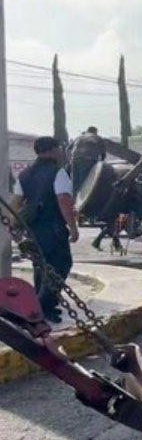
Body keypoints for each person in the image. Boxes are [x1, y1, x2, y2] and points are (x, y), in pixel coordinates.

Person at [11, 137, 79, 323]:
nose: (62, 151)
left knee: (40, 266)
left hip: (32, 229)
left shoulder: (25, 174)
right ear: (53, 149)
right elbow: (64, 202)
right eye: (60, 147)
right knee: (60, 265)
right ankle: (43, 307)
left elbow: (16, 202)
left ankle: (43, 306)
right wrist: (73, 228)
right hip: (53, 227)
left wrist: (14, 226)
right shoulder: (58, 173)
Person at [69, 126, 106, 195]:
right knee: (85, 182)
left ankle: (75, 200)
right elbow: (103, 154)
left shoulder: (79, 137)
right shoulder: (97, 138)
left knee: (75, 182)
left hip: (75, 159)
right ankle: (84, 202)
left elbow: (68, 149)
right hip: (88, 160)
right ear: (95, 132)